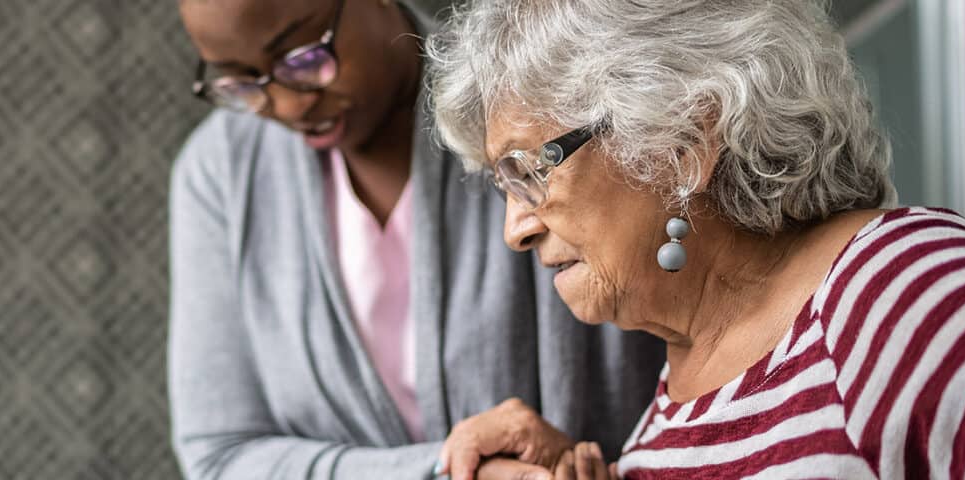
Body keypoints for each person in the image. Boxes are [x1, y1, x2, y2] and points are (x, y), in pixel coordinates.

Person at [427, 0, 965, 478]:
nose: (516, 230)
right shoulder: (656, 429)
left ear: (681, 145)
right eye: (501, 186)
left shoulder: (903, 291)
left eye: (530, 170)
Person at [167, 0, 664, 478]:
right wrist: (451, 470)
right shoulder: (222, 174)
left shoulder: (544, 98)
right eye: (242, 83)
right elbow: (222, 454)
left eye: (304, 57)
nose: (287, 103)